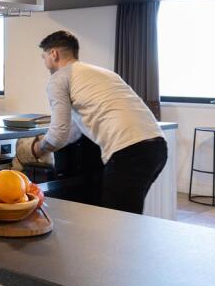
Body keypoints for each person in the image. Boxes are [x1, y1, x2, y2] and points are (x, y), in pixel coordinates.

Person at [30, 30, 166, 214]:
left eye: (44, 56)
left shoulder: (59, 78)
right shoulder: (103, 73)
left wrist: (37, 149)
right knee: (127, 215)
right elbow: (73, 131)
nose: (45, 62)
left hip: (128, 151)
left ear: (53, 54)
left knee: (116, 218)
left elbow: (58, 135)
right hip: (156, 147)